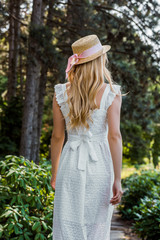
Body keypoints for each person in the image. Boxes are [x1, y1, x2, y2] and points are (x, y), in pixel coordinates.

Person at [50, 34, 123, 240]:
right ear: (100, 61)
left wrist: (55, 173)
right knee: (96, 226)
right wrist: (117, 179)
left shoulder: (60, 93)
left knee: (67, 223)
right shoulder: (110, 93)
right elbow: (115, 137)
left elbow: (57, 137)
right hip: (100, 165)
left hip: (69, 164)